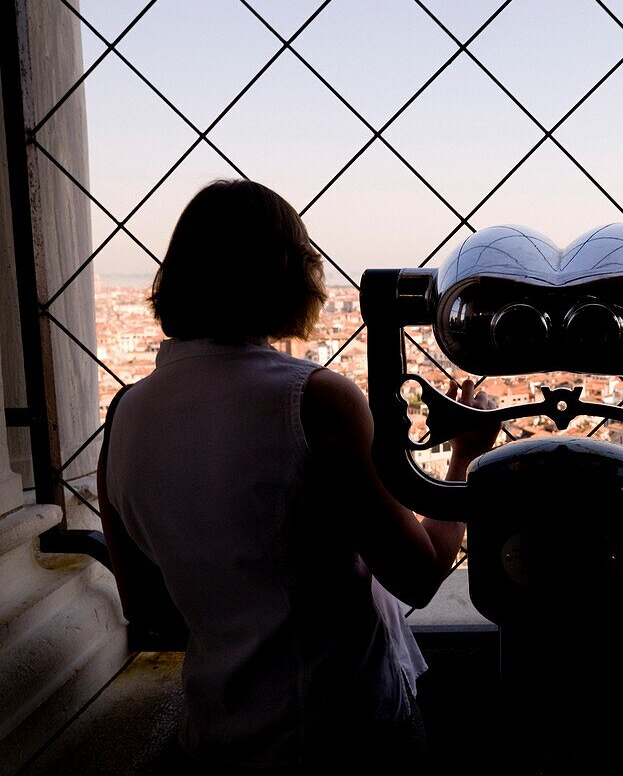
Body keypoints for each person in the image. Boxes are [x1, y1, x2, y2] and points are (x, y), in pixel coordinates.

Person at [98, 179, 498, 772]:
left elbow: (148, 607)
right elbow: (417, 573)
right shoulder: (312, 399)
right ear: (289, 275)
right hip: (344, 732)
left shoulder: (126, 412)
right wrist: (466, 460)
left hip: (214, 735)